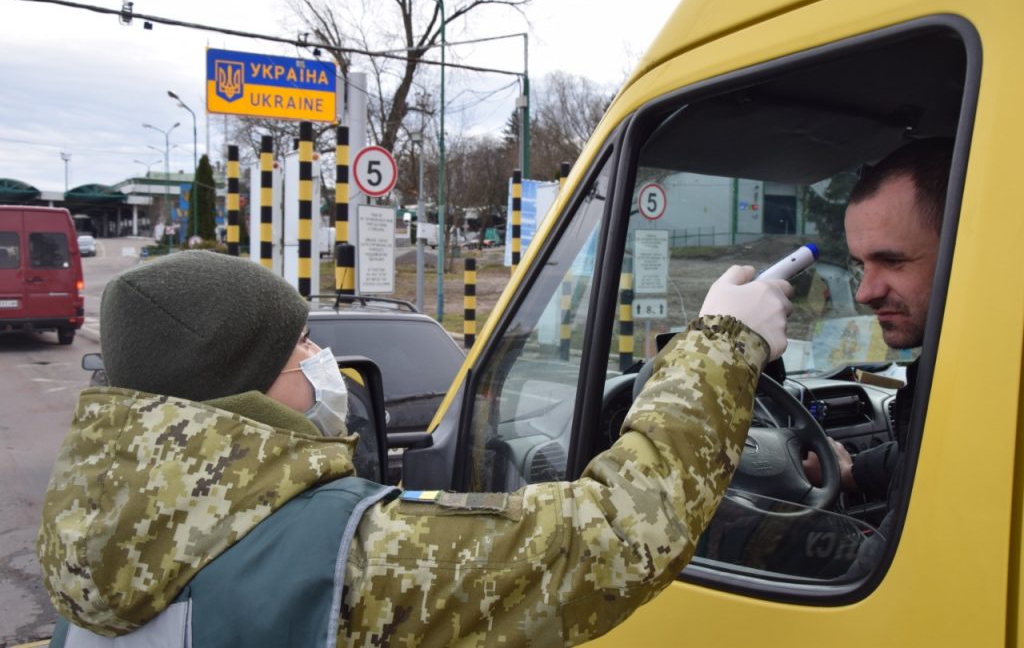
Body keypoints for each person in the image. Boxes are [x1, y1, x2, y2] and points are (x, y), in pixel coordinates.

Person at [37, 250, 792, 646]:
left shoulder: (93, 544)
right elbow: (621, 536)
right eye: (302, 345)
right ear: (244, 385)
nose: (320, 361)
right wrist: (724, 343)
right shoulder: (335, 558)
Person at [805, 138, 952, 530]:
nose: (864, 292)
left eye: (892, 261)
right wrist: (851, 471)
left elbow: (867, 580)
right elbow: (925, 463)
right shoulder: (960, 368)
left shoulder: (987, 387)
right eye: (860, 265)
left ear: (965, 246)